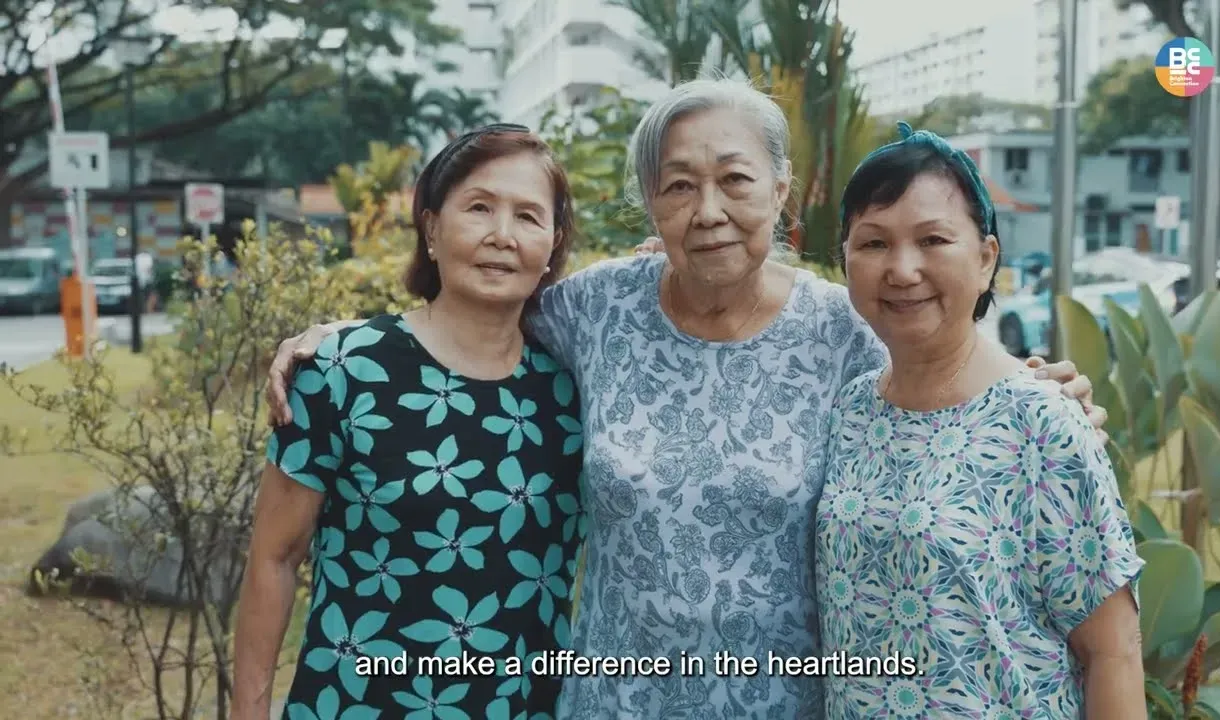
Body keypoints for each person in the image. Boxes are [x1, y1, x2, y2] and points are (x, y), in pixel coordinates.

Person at [263, 80, 1106, 719]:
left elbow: (945, 363)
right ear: (652, 206)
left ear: (780, 191)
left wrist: (1040, 385)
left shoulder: (842, 328)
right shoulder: (593, 310)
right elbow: (476, 312)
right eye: (678, 188)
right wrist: (337, 339)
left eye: (736, 181)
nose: (709, 212)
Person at [230, 124, 585, 720]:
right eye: (479, 208)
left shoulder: (572, 391)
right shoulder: (343, 372)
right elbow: (275, 558)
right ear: (431, 227)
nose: (503, 235)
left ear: (553, 242)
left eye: (529, 217)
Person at [817, 123, 1144, 718]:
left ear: (987, 257)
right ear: (845, 261)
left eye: (933, 239)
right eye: (873, 244)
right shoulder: (851, 409)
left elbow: (1113, 653)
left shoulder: (1041, 421)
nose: (902, 268)